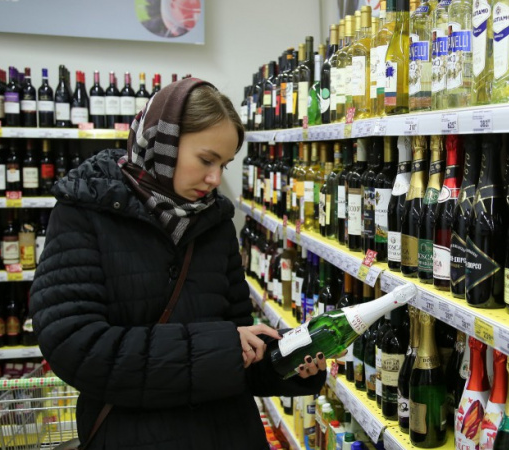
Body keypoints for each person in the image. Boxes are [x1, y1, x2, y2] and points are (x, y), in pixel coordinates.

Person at [29, 78, 326, 449]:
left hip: (228, 434)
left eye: (224, 165)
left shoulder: (215, 222)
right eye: (206, 160)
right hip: (132, 436)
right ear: (163, 144)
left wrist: (288, 362)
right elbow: (76, 346)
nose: (215, 179)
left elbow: (239, 349)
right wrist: (222, 347)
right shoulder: (85, 212)